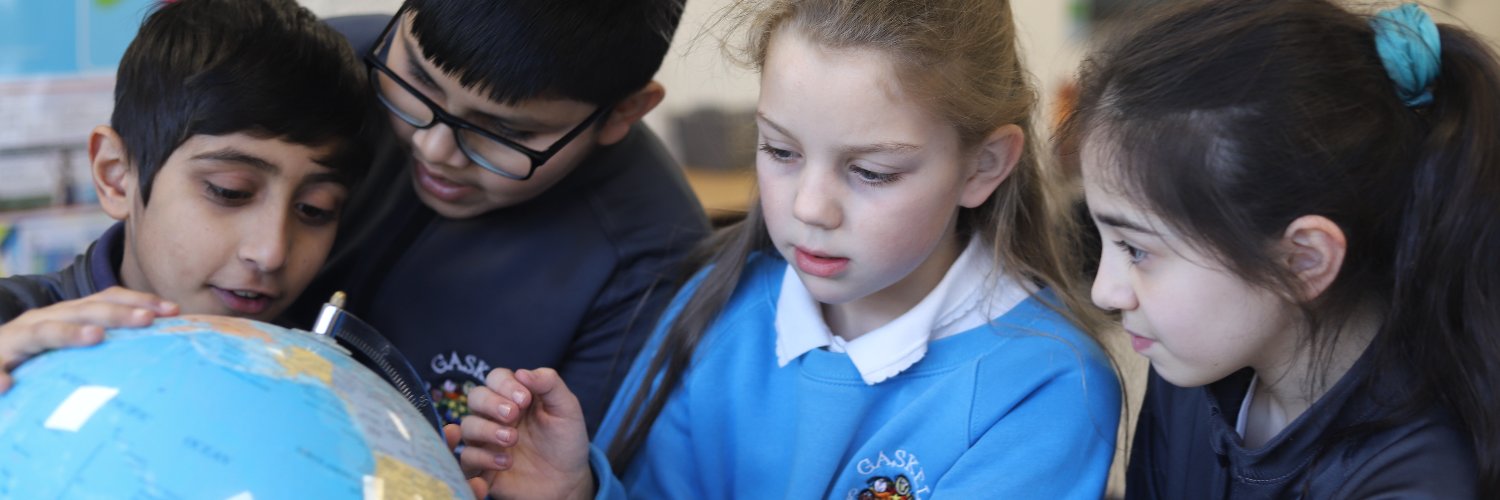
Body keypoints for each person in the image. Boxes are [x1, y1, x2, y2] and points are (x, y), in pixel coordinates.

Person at [458, 0, 1122, 497]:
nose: (808, 208)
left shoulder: (1047, 388)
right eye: (780, 150)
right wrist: (576, 490)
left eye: (871, 172)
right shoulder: (718, 304)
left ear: (984, 166)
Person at [1063, 0, 1500, 496]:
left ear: (1302, 261)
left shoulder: (1418, 479)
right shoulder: (1195, 364)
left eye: (1136, 249)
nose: (1105, 291)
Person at [284, 0, 711, 434]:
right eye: (417, 79)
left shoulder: (647, 261)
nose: (435, 151)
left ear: (624, 111)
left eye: (505, 131)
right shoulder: (312, 66)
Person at [0, 0, 372, 392]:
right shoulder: (10, 327)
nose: (271, 252)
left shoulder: (332, 382)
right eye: (230, 191)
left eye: (314, 209)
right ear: (116, 177)